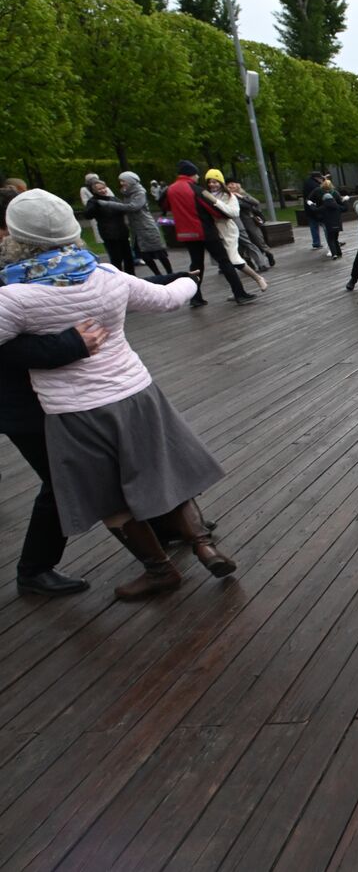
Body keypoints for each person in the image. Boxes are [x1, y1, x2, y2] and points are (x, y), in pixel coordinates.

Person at [0, 190, 236, 600]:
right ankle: (202, 545)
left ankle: (159, 568)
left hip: (74, 410)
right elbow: (162, 300)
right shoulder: (104, 274)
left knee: (107, 496)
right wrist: (184, 279)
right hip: (132, 392)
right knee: (161, 472)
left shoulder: (14, 295)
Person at [0, 187, 100, 596]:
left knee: (100, 461)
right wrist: (69, 345)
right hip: (21, 402)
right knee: (64, 478)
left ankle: (166, 531)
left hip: (52, 394)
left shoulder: (23, 266)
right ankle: (34, 570)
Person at [162, 160, 255, 307]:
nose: (198, 177)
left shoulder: (170, 190)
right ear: (191, 174)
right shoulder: (196, 190)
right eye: (196, 174)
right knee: (224, 261)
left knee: (196, 264)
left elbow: (165, 206)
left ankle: (195, 297)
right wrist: (225, 216)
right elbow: (213, 209)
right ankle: (240, 294)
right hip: (204, 230)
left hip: (185, 233)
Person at [199, 170, 268, 293]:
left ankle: (258, 278)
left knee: (234, 259)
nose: (212, 184)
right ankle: (237, 291)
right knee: (225, 264)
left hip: (228, 231)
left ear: (220, 182)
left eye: (214, 181)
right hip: (214, 232)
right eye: (209, 182)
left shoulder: (229, 196)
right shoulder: (205, 195)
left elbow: (234, 213)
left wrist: (215, 202)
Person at [97, 172, 172, 276]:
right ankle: (158, 275)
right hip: (136, 229)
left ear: (130, 181)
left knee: (159, 252)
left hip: (146, 226)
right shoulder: (127, 193)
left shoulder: (139, 192)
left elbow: (133, 207)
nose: (121, 183)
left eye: (123, 181)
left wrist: (108, 204)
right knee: (145, 255)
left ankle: (170, 274)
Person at [82, 180, 135, 275]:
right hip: (108, 233)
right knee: (116, 258)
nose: (102, 190)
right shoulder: (93, 202)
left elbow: (124, 209)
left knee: (128, 257)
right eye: (99, 189)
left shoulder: (113, 199)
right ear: (94, 191)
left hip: (121, 231)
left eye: (103, 188)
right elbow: (87, 215)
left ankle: (131, 276)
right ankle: (117, 277)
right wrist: (96, 205)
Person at [227, 181, 275, 270]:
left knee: (258, 240)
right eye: (228, 185)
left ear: (238, 185)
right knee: (244, 244)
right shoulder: (227, 196)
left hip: (249, 221)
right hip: (236, 223)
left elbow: (255, 202)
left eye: (232, 184)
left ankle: (268, 254)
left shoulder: (243, 194)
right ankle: (249, 262)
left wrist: (240, 197)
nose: (230, 186)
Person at [311, 176, 345, 259]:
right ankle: (338, 252)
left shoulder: (319, 193)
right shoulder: (335, 194)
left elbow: (315, 208)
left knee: (330, 237)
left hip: (325, 219)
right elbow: (343, 207)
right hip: (336, 220)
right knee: (335, 238)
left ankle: (334, 253)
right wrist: (345, 201)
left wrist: (311, 205)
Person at [302, 171, 326, 250]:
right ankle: (333, 240)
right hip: (317, 208)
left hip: (309, 207)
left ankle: (316, 243)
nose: (321, 179)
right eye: (320, 178)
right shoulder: (316, 185)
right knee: (325, 225)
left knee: (313, 226)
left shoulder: (307, 183)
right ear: (317, 178)